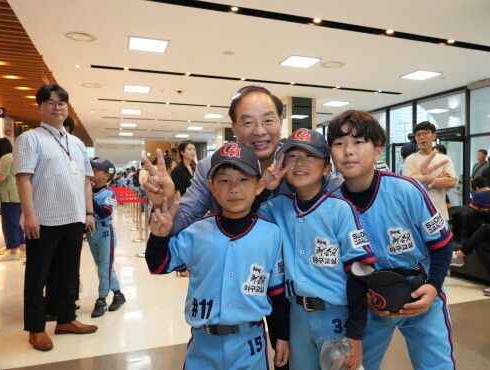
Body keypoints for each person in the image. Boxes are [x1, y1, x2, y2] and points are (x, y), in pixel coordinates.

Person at [142, 85, 341, 370]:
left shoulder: (299, 158)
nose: (259, 130)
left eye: (268, 120)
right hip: (238, 297)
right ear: (234, 127)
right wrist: (165, 203)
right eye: (248, 122)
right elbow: (182, 220)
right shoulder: (211, 166)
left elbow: (336, 197)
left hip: (304, 294)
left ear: (280, 123)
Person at [327, 110, 455, 369]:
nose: (348, 151)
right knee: (356, 366)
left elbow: (441, 244)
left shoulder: (406, 190)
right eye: (339, 144)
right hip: (369, 303)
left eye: (358, 142)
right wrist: (363, 301)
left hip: (421, 293)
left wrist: (433, 287)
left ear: (377, 151)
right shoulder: (331, 203)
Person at [145, 143, 289, 369]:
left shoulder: (271, 233)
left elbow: (278, 293)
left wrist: (283, 336)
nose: (233, 188)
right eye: (223, 181)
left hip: (249, 343)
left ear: (260, 185)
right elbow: (158, 265)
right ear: (211, 187)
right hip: (203, 343)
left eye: (243, 179)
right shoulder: (196, 232)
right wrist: (158, 238)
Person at [258, 128, 376, 370]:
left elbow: (359, 271)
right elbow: (248, 224)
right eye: (291, 156)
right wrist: (266, 188)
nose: (299, 163)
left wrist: (355, 332)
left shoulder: (340, 209)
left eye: (310, 156)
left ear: (326, 168)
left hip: (335, 316)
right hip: (297, 316)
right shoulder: (276, 206)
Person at [14, 84, 98, 351]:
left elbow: (86, 181)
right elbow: (24, 179)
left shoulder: (76, 142)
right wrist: (29, 215)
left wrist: (88, 212)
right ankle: (36, 329)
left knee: (68, 275)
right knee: (37, 277)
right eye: (50, 102)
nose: (57, 107)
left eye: (62, 102)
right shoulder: (30, 139)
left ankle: (65, 320)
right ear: (40, 107)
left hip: (74, 218)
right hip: (44, 219)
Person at [87, 158, 126, 318]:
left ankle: (101, 299)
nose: (92, 172)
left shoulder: (109, 193)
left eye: (96, 170)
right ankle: (118, 294)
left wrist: (87, 195)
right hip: (91, 232)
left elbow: (104, 213)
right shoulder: (87, 188)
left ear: (106, 176)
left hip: (105, 233)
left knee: (104, 266)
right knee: (103, 266)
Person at [404, 121, 457, 221]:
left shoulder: (444, 158)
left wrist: (429, 180)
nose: (421, 137)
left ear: (434, 135)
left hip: (440, 212)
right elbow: (410, 184)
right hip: (418, 214)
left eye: (425, 133)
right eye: (418, 135)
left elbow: (452, 182)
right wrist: (438, 179)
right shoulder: (410, 159)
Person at [0, 138, 26, 261]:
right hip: (17, 194)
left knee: (9, 224)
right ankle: (21, 247)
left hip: (8, 195)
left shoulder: (5, 158)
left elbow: (2, 177)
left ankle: (12, 251)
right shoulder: (14, 156)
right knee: (16, 223)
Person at [170, 140, 197, 277]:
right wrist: (182, 209)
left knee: (194, 236)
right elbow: (177, 190)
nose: (193, 152)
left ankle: (192, 264)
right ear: (182, 152)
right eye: (190, 149)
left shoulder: (195, 166)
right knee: (183, 236)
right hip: (185, 207)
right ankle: (181, 267)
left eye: (194, 149)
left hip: (197, 206)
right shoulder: (178, 170)